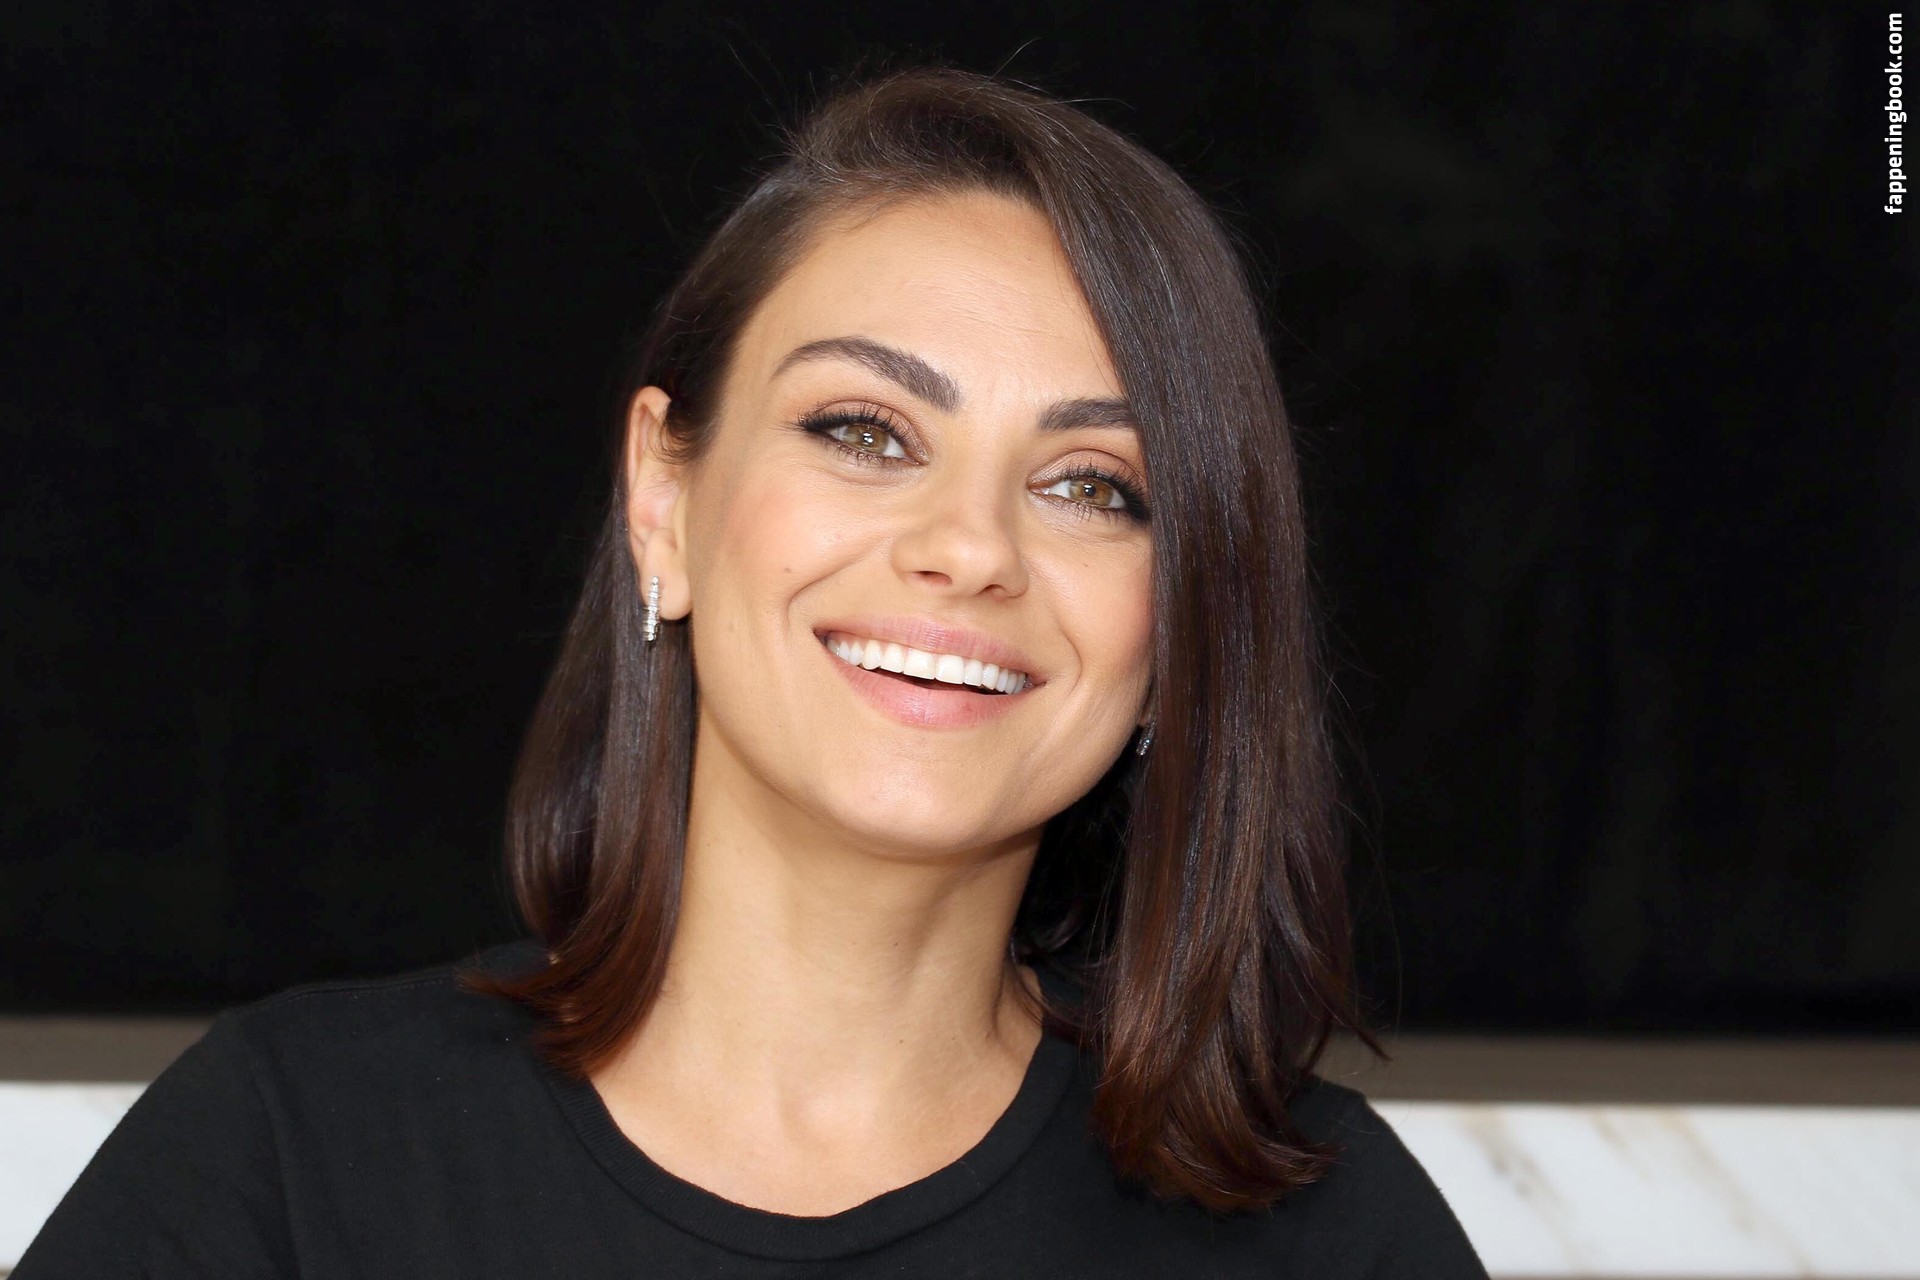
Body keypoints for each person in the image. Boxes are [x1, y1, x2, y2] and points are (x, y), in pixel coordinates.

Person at [17, 65, 1489, 1277]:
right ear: (664, 499)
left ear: (1182, 626)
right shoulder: (290, 1161)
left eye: (1095, 486)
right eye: (865, 433)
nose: (970, 548)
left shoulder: (1334, 1236)